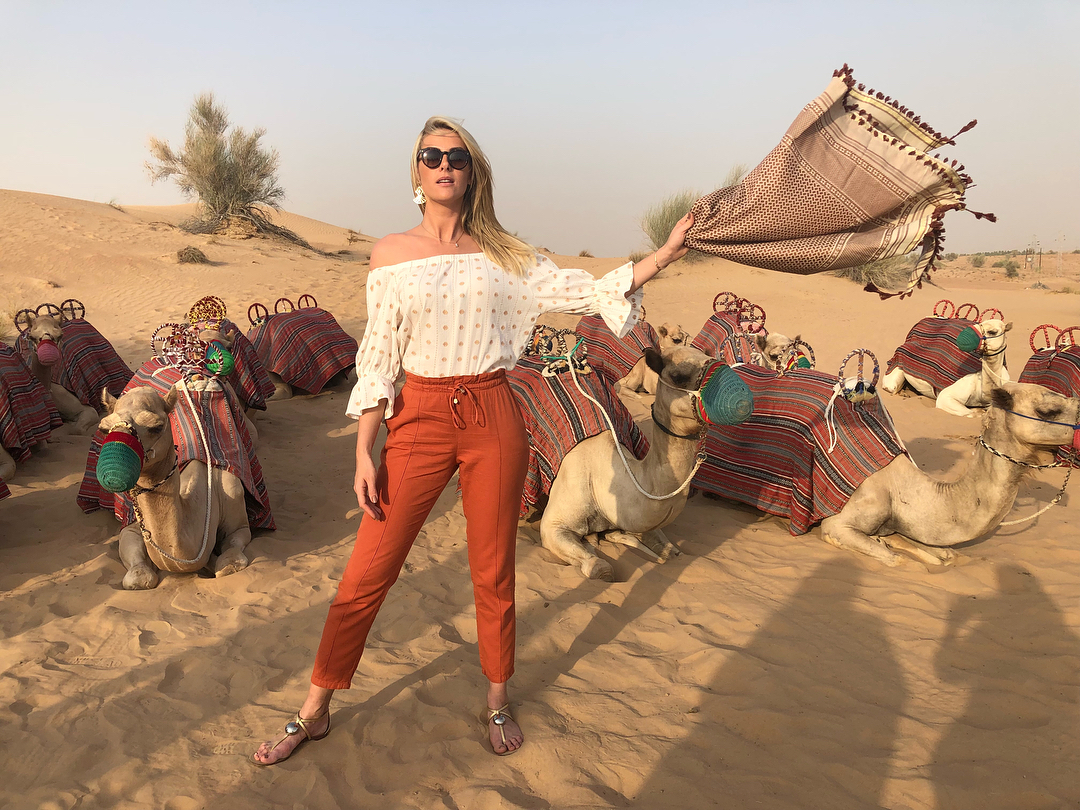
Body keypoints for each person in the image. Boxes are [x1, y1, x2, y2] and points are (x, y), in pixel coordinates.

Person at [253, 116, 693, 764]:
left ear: (472, 171)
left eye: (456, 156)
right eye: (432, 155)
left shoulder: (506, 254)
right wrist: (363, 450)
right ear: (417, 170)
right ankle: (314, 707)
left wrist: (666, 253)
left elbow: (586, 289)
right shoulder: (390, 254)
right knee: (368, 570)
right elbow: (379, 359)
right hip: (419, 419)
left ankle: (497, 699)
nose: (444, 165)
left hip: (493, 413)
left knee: (493, 569)